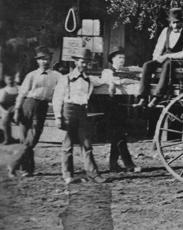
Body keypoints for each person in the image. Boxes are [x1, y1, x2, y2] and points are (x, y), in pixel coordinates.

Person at [53, 48, 107, 184]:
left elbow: (104, 80)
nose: (84, 65)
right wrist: (58, 117)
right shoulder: (65, 79)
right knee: (68, 144)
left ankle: (93, 174)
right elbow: (57, 98)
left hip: (82, 111)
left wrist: (111, 83)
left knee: (87, 143)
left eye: (87, 63)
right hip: (68, 111)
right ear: (76, 62)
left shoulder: (89, 80)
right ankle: (67, 175)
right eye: (82, 62)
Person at [11, 47, 61, 177]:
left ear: (50, 60)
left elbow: (62, 89)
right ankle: (28, 169)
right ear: (37, 61)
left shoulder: (56, 76)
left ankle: (15, 164)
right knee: (23, 139)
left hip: (41, 107)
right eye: (41, 59)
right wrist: (17, 110)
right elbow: (22, 94)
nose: (44, 62)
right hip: (27, 105)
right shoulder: (31, 75)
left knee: (31, 140)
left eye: (47, 59)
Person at [134, 8, 183, 108]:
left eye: (177, 22)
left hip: (179, 61)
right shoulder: (166, 31)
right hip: (164, 58)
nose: (175, 25)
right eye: (173, 23)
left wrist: (167, 56)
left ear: (182, 22)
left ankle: (157, 97)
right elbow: (158, 48)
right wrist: (156, 59)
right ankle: (143, 98)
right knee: (147, 65)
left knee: (168, 64)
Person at [100, 46, 142, 173]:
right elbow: (117, 81)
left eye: (123, 58)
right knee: (119, 136)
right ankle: (129, 164)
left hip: (122, 107)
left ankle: (113, 165)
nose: (122, 60)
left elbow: (137, 78)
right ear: (112, 59)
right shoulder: (107, 71)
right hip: (111, 107)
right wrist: (127, 80)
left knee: (117, 136)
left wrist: (129, 79)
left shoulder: (125, 71)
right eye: (119, 58)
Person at [0, 73, 20, 144]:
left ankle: (24, 138)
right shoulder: (3, 90)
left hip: (18, 109)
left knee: (24, 122)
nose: (10, 81)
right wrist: (4, 112)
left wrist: (16, 109)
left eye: (12, 79)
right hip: (6, 111)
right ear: (5, 80)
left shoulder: (19, 88)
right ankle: (8, 138)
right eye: (8, 79)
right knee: (5, 121)